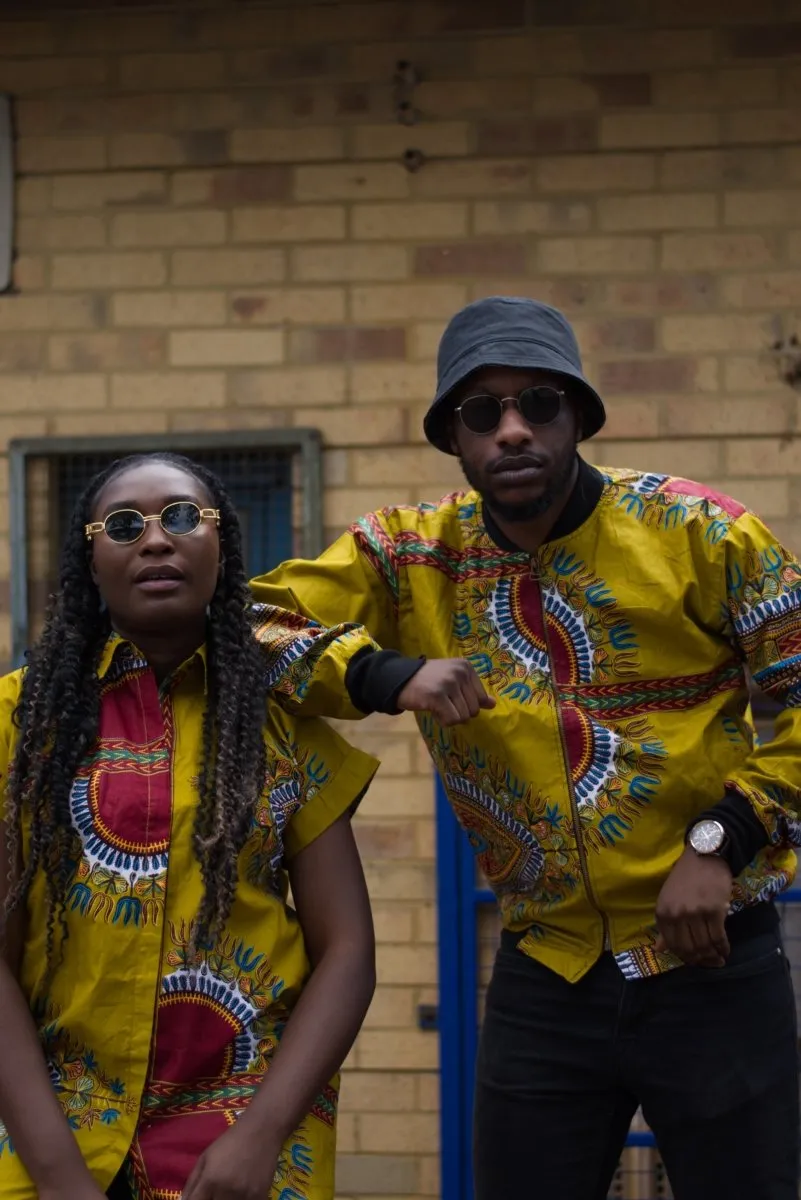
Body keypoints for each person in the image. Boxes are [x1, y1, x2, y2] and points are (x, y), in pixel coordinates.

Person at [249, 296, 801, 1199]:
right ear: (452, 438)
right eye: (481, 412)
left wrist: (725, 835)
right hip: (545, 969)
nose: (511, 430)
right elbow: (244, 626)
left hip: (710, 956)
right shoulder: (408, 556)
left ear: (577, 417)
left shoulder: (701, 535)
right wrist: (383, 673)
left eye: (537, 404)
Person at [0, 452, 378, 1200]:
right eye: (122, 524)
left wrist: (262, 1134)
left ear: (221, 547)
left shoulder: (280, 724)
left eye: (180, 516)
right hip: (57, 1127)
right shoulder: (18, 723)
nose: (155, 540)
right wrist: (57, 1175)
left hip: (239, 1143)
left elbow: (347, 949)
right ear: (90, 557)